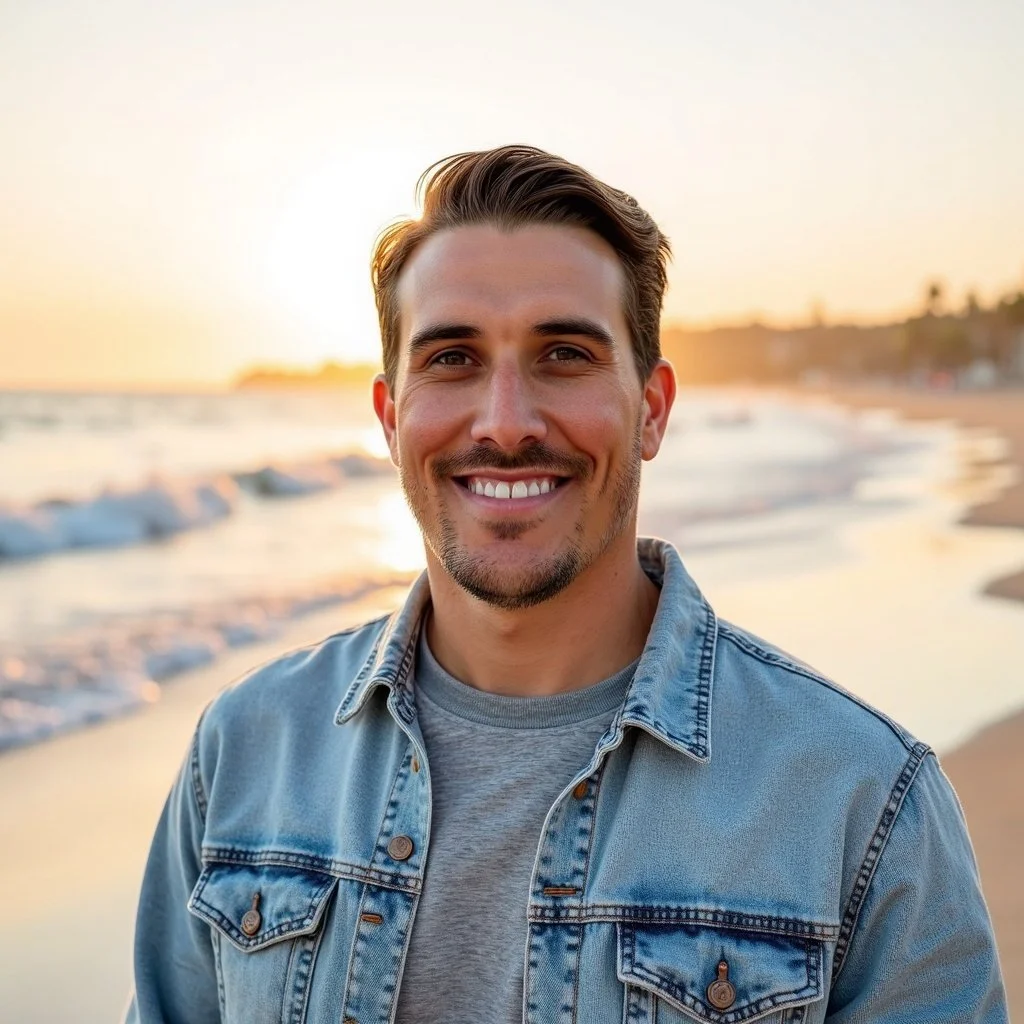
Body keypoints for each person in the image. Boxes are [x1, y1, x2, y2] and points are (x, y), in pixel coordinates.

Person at [125, 145, 1007, 1023]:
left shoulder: (859, 800)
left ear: (651, 408)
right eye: (452, 359)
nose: (506, 424)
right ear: (391, 418)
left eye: (565, 355)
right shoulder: (244, 754)